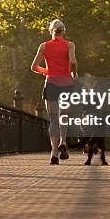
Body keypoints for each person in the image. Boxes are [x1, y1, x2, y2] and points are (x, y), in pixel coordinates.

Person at [31, 19, 78, 164]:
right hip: (66, 84)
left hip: (51, 84)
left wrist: (47, 72)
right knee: (64, 115)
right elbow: (73, 62)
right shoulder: (70, 45)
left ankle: (54, 153)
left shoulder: (44, 46)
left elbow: (34, 66)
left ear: (50, 31)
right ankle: (63, 141)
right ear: (63, 31)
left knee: (53, 118)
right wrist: (73, 74)